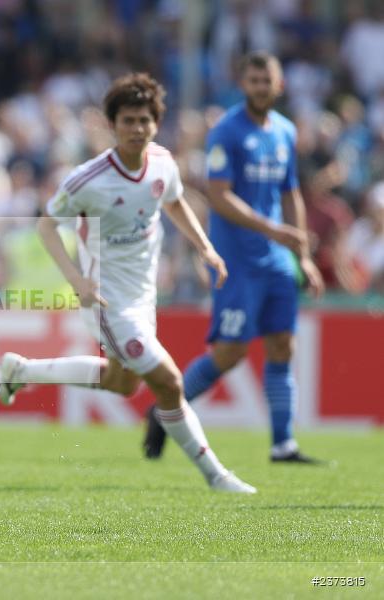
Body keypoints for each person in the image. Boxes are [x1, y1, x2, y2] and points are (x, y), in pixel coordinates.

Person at [0, 73, 256, 494]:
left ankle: (22, 370)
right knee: (170, 383)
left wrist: (205, 247)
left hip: (142, 296)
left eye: (144, 121)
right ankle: (217, 476)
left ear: (156, 123)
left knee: (123, 382)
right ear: (112, 125)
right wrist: (77, 281)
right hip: (106, 300)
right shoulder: (88, 179)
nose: (137, 129)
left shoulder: (162, 164)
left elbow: (172, 203)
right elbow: (47, 228)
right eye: (128, 121)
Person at [142, 52, 325, 464]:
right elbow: (220, 197)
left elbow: (290, 192)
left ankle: (283, 444)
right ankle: (164, 409)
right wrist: (273, 230)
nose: (261, 86)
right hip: (238, 260)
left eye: (267, 80)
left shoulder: (285, 132)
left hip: (277, 259)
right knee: (230, 352)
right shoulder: (227, 131)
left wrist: (304, 256)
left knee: (283, 344)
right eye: (254, 80)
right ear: (244, 85)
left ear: (279, 86)